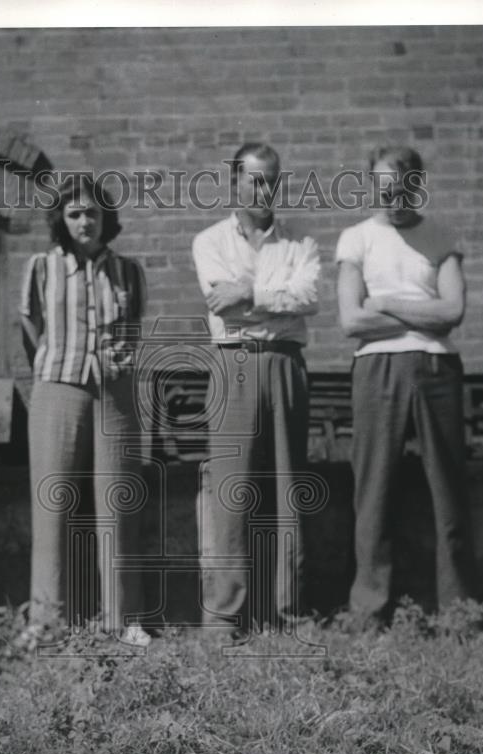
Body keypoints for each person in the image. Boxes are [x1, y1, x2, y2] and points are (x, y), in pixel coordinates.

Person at [336, 145, 478, 630]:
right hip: (376, 371)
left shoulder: (441, 237)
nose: (391, 197)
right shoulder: (356, 239)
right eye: (381, 188)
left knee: (449, 491)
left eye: (401, 187)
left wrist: (386, 304)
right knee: (373, 489)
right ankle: (369, 614)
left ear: (417, 184)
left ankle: (460, 617)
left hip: (437, 369)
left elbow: (452, 313)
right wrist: (418, 311)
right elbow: (352, 319)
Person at [192, 143, 321, 638]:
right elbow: (221, 303)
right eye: (255, 180)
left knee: (288, 491)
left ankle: (286, 614)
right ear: (234, 184)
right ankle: (226, 617)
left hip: (285, 366)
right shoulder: (209, 242)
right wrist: (273, 297)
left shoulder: (301, 243)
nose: (264, 189)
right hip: (234, 365)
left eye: (272, 180)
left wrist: (250, 292)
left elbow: (308, 297)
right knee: (232, 494)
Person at [20, 174, 150, 646]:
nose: (84, 222)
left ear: (105, 218)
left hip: (114, 392)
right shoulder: (40, 268)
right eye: (74, 214)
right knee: (51, 504)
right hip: (58, 387)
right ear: (61, 220)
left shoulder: (129, 271)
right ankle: (46, 620)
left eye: (92, 212)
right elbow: (29, 329)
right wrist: (56, 366)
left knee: (117, 504)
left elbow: (134, 326)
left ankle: (123, 619)